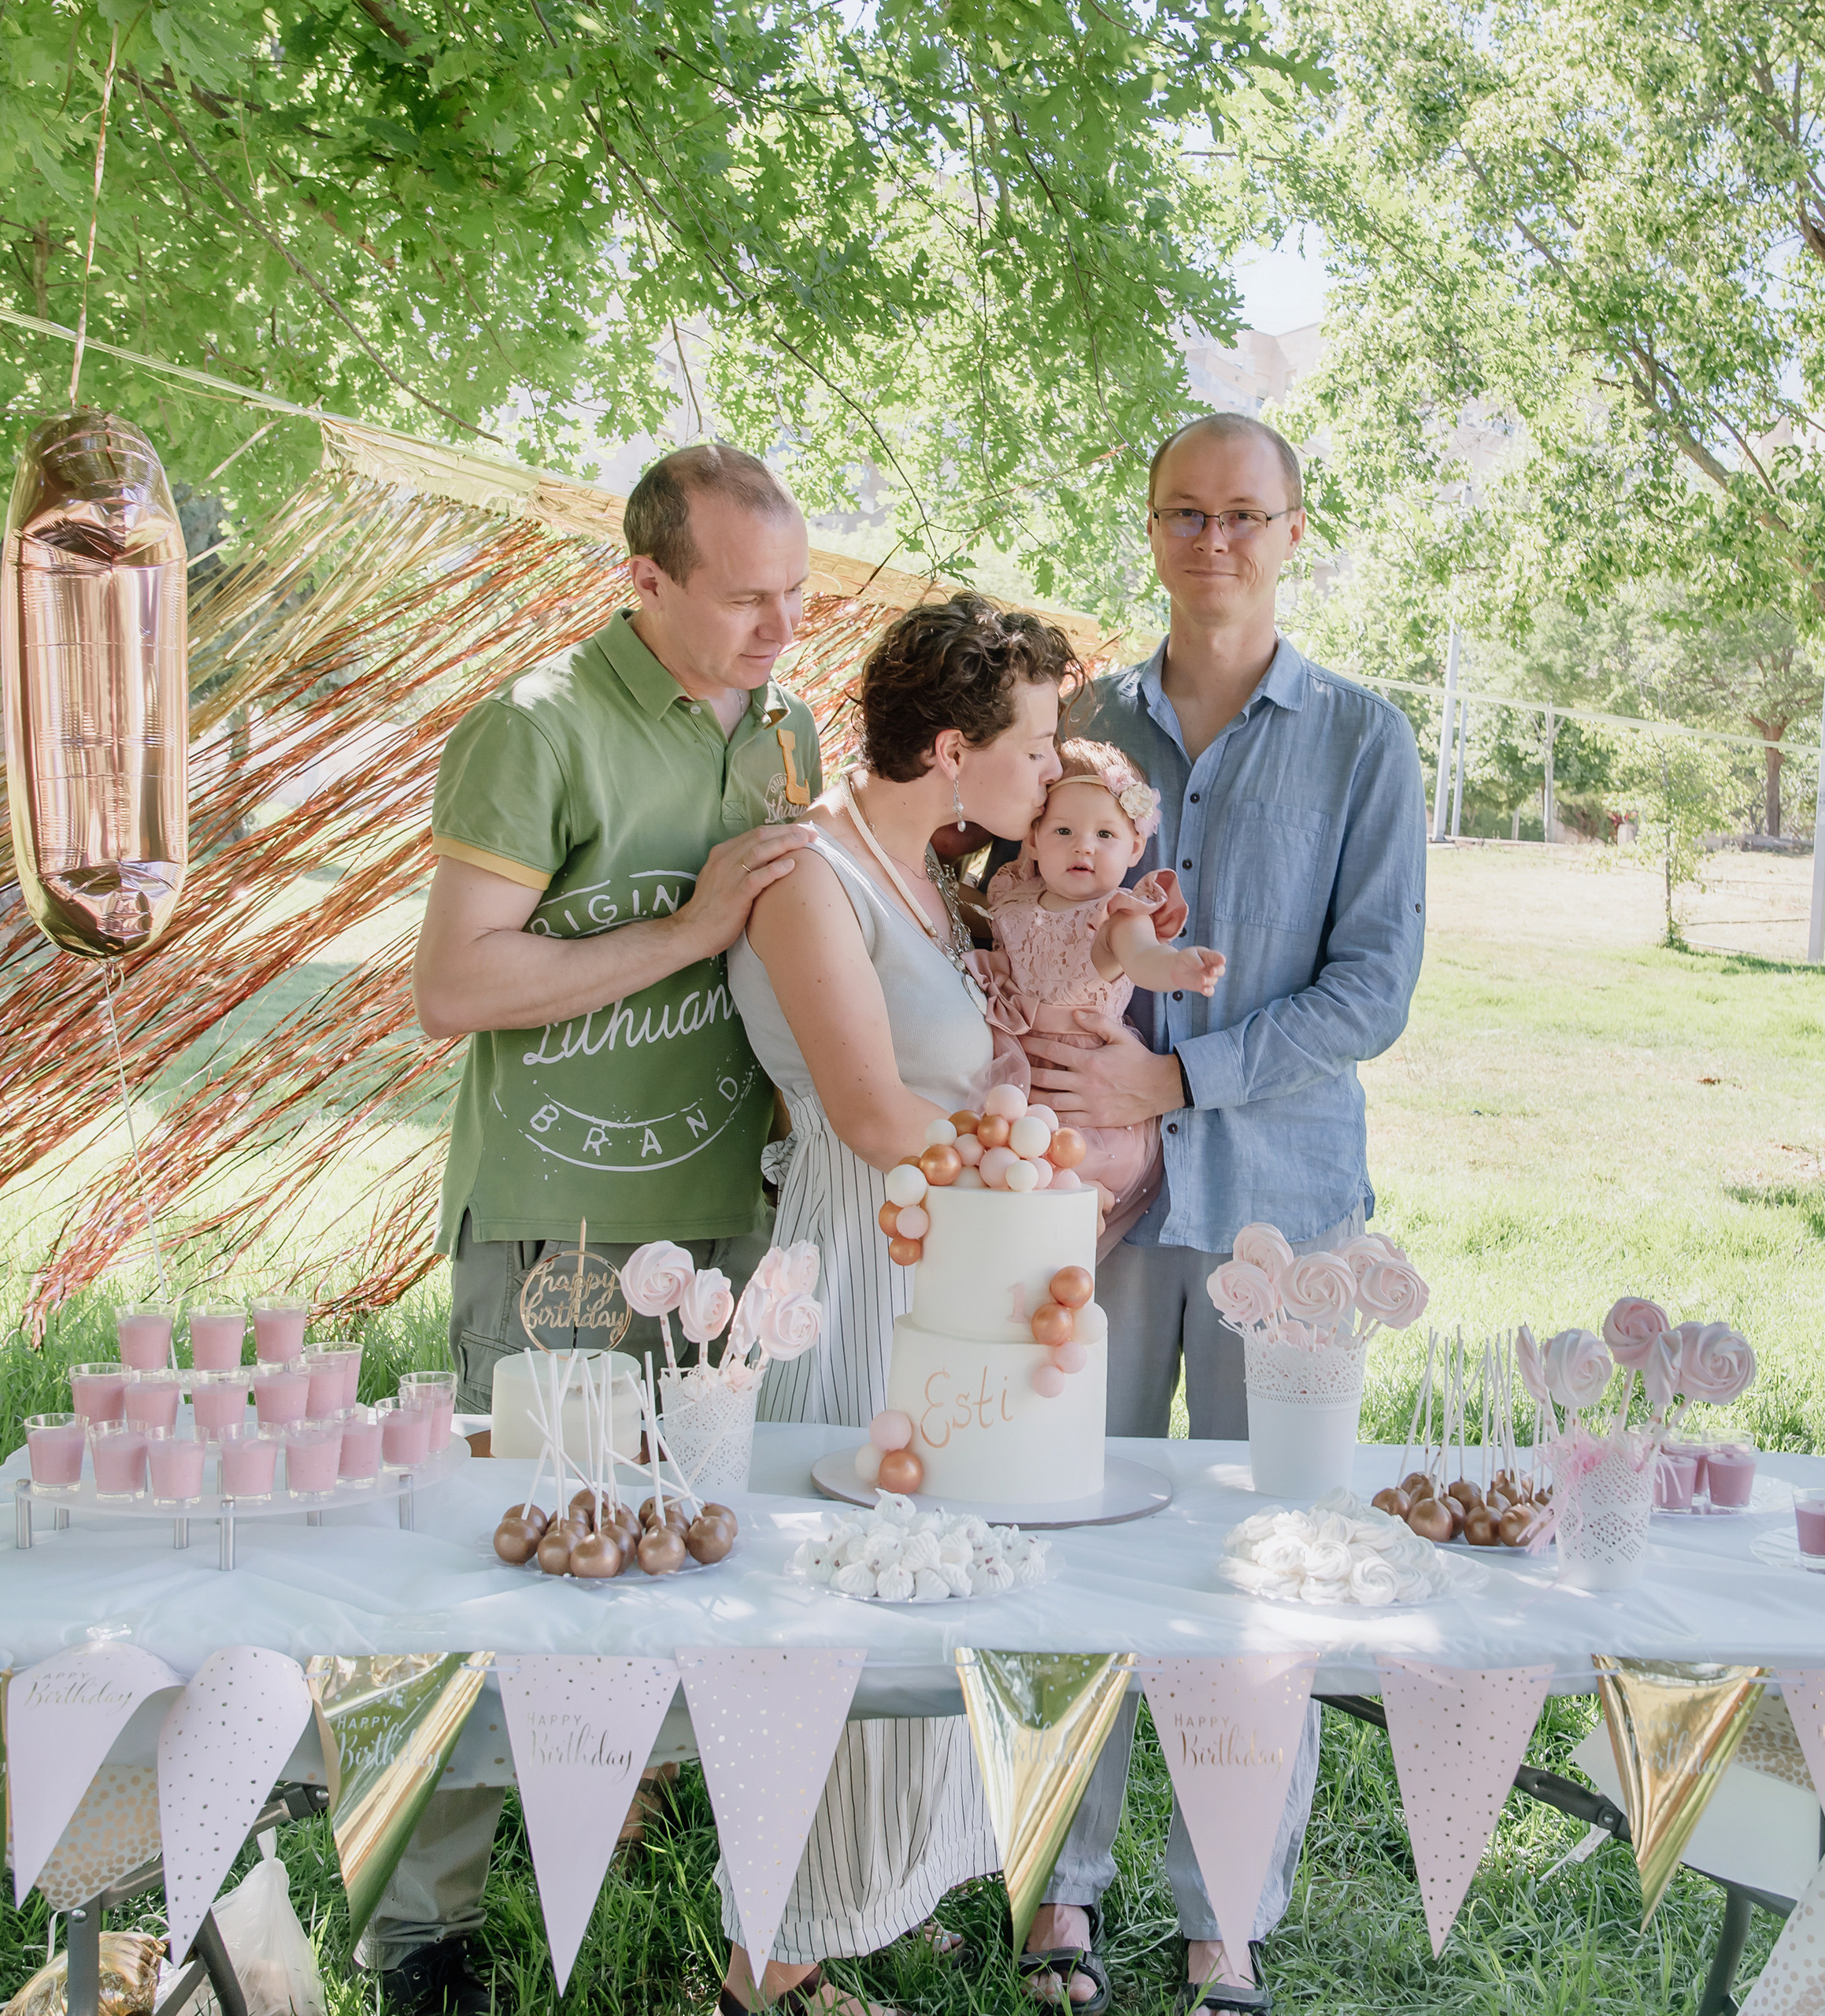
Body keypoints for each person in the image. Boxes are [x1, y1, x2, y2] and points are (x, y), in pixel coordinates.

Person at [380, 443, 820, 2014]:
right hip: (551, 1229)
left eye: (795, 594)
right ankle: (421, 1923)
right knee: (498, 1561)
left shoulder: (783, 730)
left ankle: (684, 1839)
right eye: (746, 598)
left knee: (707, 1549)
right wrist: (691, 926)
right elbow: (455, 985)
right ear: (644, 581)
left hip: (728, 1228)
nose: (782, 628)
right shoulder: (535, 725)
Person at [1019, 413, 1427, 2015]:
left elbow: (1371, 988)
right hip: (1087, 1206)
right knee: (1074, 1517)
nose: (1214, 541)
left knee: (1272, 1553)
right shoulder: (1073, 726)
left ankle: (1225, 1915)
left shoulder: (1362, 737)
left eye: (1244, 514)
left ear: (1294, 532)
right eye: (1184, 512)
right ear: (1149, 526)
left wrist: (1176, 1082)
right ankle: (1058, 1882)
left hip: (1286, 1204)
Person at [720, 591, 1072, 2015]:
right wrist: (1035, 1173)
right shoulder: (813, 878)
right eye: (1035, 745)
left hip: (949, 1253)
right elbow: (871, 1114)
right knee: (850, 1599)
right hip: (862, 1257)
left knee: (939, 1578)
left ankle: (877, 1892)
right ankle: (771, 1961)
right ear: (950, 747)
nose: (1051, 772)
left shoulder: (932, 872)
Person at [979, 737, 1225, 1252]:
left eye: (1105, 834)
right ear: (1034, 838)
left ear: (1134, 847)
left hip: (1087, 1099)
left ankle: (1088, 1203)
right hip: (1017, 1074)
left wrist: (1177, 967)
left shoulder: (1116, 915)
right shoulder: (1012, 895)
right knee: (1001, 1173)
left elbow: (1143, 957)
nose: (1083, 846)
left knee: (1052, 1175)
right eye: (1063, 831)